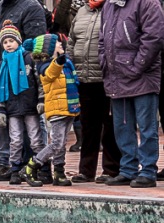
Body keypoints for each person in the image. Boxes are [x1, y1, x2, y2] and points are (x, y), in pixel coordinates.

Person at [99, 0, 164, 188]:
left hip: (142, 77)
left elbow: (154, 38)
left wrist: (137, 66)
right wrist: (104, 61)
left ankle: (148, 171)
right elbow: (102, 39)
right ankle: (127, 169)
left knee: (147, 127)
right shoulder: (108, 6)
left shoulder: (148, 3)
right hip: (116, 77)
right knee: (122, 126)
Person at [0, 0, 47, 180]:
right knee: (6, 124)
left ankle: (36, 163)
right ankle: (7, 163)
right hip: (3, 75)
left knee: (33, 126)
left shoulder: (31, 7)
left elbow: (36, 46)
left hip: (26, 80)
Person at [67, 0, 120, 183]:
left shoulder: (113, 9)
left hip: (107, 78)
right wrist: (70, 66)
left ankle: (111, 169)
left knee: (110, 126)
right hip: (84, 79)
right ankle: (86, 171)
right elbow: (71, 42)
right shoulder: (81, 12)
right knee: (88, 127)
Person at [22, 34, 78, 186]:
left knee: (62, 143)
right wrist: (59, 60)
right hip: (57, 110)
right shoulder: (44, 66)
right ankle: (32, 166)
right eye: (57, 43)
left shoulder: (65, 64)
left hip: (68, 107)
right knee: (57, 143)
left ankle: (59, 172)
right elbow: (51, 73)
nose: (61, 43)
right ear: (50, 48)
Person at [0, 23, 43, 186]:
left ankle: (40, 167)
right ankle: (15, 169)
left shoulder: (29, 59)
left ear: (19, 41)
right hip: (12, 109)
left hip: (30, 106)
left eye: (11, 41)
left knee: (36, 139)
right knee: (15, 140)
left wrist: (41, 100)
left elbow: (39, 81)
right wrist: (0, 110)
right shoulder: (1, 65)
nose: (8, 44)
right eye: (5, 42)